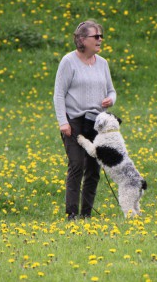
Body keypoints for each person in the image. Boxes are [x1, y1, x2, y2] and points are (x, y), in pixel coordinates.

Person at [53, 20, 117, 220]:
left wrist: (110, 100)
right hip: (74, 123)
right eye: (95, 36)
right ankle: (71, 214)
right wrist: (63, 122)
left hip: (96, 122)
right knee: (77, 165)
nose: (100, 40)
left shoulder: (103, 63)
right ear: (82, 39)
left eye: (101, 36)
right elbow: (58, 94)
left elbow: (112, 91)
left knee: (93, 170)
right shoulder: (68, 61)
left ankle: (86, 214)